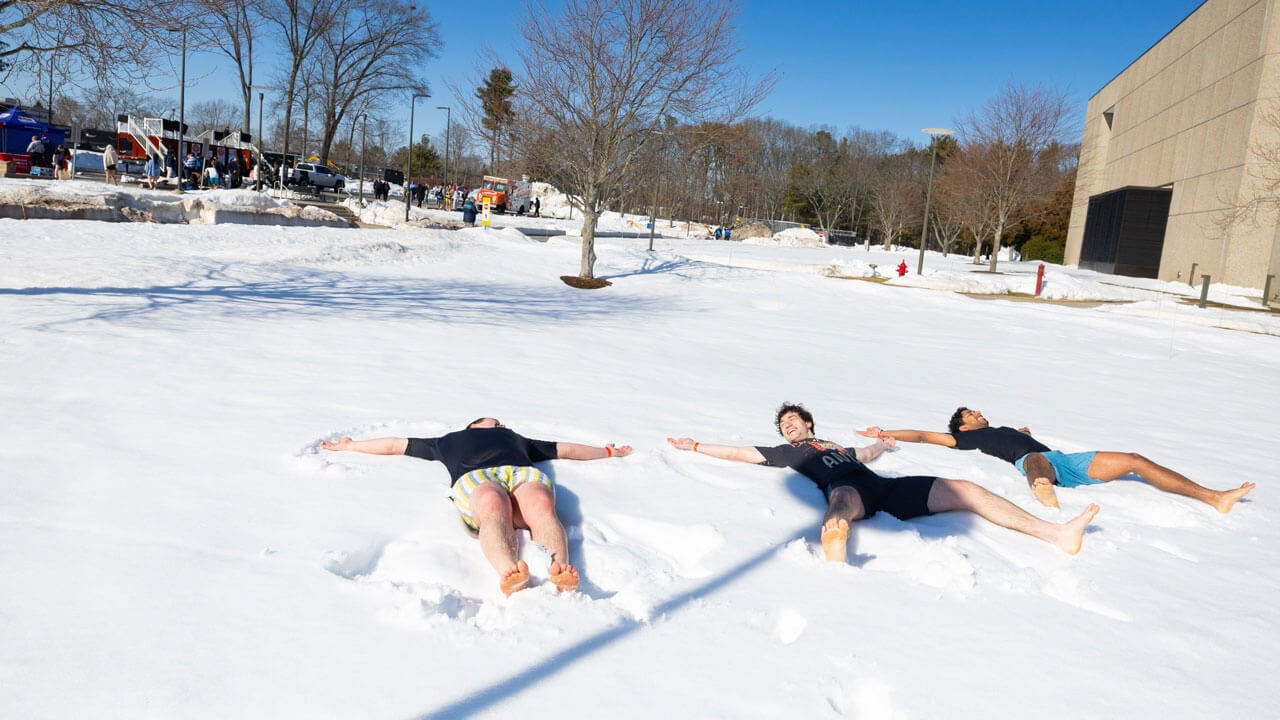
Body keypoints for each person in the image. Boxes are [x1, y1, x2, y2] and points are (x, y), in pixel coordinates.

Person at [668, 403, 1099, 563]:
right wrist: (697, 445)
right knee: (841, 501)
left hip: (885, 488)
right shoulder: (788, 452)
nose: (788, 427)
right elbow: (741, 453)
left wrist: (883, 445)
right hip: (849, 491)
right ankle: (835, 546)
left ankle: (1056, 534)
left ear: (809, 423)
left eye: (793, 420)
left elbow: (865, 454)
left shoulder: (832, 443)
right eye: (784, 425)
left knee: (967, 489)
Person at [321, 417, 632, 596]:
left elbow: (565, 450)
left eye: (501, 423)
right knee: (492, 505)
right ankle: (510, 573)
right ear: (473, 426)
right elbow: (394, 445)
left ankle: (559, 570)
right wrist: (351, 446)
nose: (501, 424)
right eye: (494, 421)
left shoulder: (516, 438)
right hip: (477, 477)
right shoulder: (447, 440)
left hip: (521, 473)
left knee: (540, 503)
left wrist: (607, 452)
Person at [860, 407, 1255, 512]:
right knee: (1033, 459)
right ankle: (1042, 489)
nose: (978, 413)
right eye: (970, 413)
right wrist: (885, 433)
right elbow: (924, 436)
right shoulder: (964, 439)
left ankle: (1214, 497)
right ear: (962, 426)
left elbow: (1022, 437)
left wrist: (1023, 432)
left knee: (1135, 459)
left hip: (1062, 460)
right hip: (1034, 463)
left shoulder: (1004, 429)